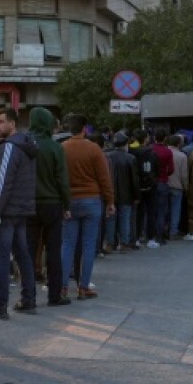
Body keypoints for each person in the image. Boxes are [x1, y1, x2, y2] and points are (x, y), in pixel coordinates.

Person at [0, 107, 38, 318]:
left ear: (12, 124)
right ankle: (29, 299)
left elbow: (3, 182)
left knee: (1, 257)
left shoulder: (10, 146)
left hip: (8, 210)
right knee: (22, 254)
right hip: (22, 208)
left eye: (1, 121)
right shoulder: (27, 145)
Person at [60, 115, 114, 301]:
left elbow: (59, 177)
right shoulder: (94, 149)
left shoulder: (63, 148)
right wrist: (110, 201)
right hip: (92, 200)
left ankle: (62, 287)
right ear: (84, 129)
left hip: (70, 201)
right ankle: (83, 287)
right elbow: (104, 178)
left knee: (67, 244)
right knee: (89, 245)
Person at [27, 108, 70, 307]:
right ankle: (55, 295)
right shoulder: (55, 148)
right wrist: (66, 204)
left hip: (28, 205)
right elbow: (62, 180)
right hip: (52, 204)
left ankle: (28, 296)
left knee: (28, 251)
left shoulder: (25, 145)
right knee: (53, 251)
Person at [104, 132, 140, 253]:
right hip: (127, 194)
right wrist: (136, 195)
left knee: (111, 219)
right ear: (125, 144)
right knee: (125, 219)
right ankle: (124, 243)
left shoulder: (106, 156)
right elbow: (134, 179)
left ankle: (110, 243)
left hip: (110, 193)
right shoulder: (130, 158)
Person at [130, 129, 159, 247]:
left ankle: (136, 237)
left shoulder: (131, 153)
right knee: (151, 212)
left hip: (136, 187)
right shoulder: (151, 153)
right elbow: (157, 168)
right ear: (146, 138)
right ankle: (151, 238)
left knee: (137, 213)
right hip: (150, 186)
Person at [167, 133, 189, 239]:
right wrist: (186, 187)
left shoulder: (162, 153)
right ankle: (173, 231)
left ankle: (162, 230)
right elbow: (184, 174)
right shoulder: (182, 156)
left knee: (163, 210)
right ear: (179, 144)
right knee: (175, 210)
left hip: (164, 185)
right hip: (177, 186)